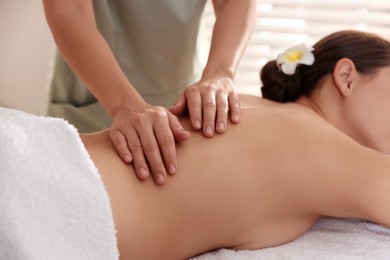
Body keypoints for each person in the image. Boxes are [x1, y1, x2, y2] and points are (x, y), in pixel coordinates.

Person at [3, 30, 390, 259]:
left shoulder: (248, 106)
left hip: (29, 151)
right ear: (347, 77)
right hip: (43, 199)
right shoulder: (320, 147)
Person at [42, 0, 257, 185]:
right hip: (96, 94)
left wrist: (220, 73)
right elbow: (69, 11)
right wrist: (122, 104)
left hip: (185, 92)